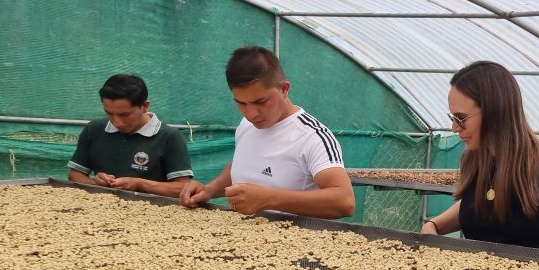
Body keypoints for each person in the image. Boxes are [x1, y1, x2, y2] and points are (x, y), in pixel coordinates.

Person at [420, 61, 539, 253]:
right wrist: (434, 225)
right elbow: (481, 205)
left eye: (461, 119)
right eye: (453, 118)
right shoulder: (474, 158)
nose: (455, 128)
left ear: (495, 111)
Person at [179, 46, 355, 219]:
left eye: (261, 101)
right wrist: (209, 189)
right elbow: (244, 165)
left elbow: (344, 201)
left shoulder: (313, 137)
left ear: (284, 89)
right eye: (241, 103)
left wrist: (268, 199)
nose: (251, 114)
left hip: (293, 242)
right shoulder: (247, 126)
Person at [67, 74, 193, 196]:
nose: (117, 122)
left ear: (145, 106)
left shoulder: (170, 137)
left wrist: (140, 184)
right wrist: (94, 183)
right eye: (109, 113)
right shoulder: (94, 129)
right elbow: (75, 175)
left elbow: (182, 188)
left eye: (124, 115)